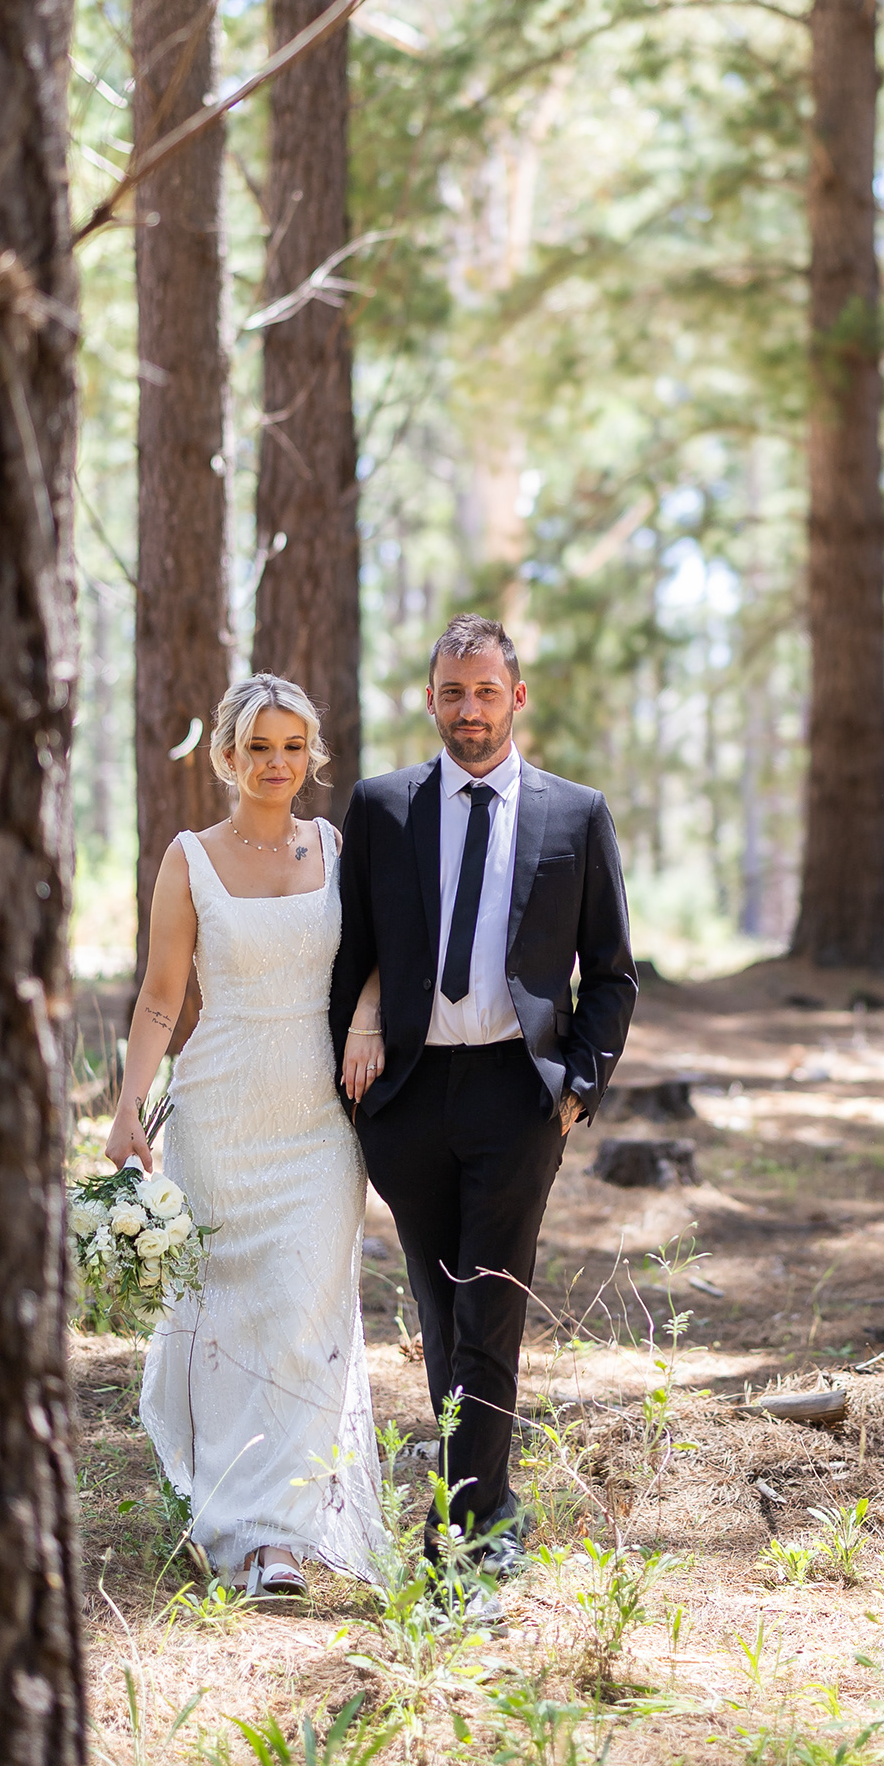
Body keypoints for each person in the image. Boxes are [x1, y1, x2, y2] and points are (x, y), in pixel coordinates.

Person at [331, 614, 636, 1573]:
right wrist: (360, 1054)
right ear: (430, 698)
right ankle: (488, 1502)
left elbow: (612, 973)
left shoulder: (574, 814)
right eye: (454, 692)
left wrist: (578, 1085)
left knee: (490, 1305)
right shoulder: (381, 808)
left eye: (487, 692)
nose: (471, 709)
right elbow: (350, 951)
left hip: (518, 1093)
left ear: (517, 698)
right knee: (439, 1307)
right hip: (408, 1096)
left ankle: (467, 1534)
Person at [106, 674, 385, 1598]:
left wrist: (368, 1017)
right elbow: (161, 996)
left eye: (292, 747)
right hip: (220, 1113)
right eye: (259, 747)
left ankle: (284, 1534)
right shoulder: (189, 858)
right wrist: (127, 1106)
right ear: (228, 755)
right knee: (228, 1322)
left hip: (319, 1123)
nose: (276, 763)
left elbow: (377, 958)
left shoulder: (336, 846)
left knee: (303, 1316)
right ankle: (238, 1519)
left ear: (312, 756)